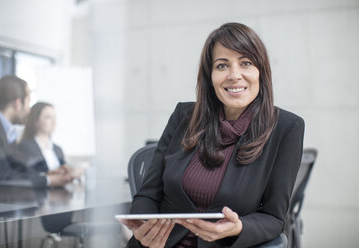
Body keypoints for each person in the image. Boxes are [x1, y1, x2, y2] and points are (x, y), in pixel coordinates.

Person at [121, 22, 305, 248]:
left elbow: (275, 218)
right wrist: (143, 227)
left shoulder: (286, 128)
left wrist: (239, 228)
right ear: (210, 76)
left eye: (246, 63)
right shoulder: (183, 116)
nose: (234, 75)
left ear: (261, 72)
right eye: (222, 66)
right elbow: (147, 195)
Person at [0, 75, 72, 188]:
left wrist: (45, 175)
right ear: (18, 104)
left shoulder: (6, 130)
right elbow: (1, 176)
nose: (29, 110)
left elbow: (17, 168)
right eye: (28, 103)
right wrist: (48, 180)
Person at [18, 102, 83, 180]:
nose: (54, 122)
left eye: (54, 117)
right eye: (48, 117)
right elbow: (27, 175)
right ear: (35, 120)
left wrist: (72, 171)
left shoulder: (57, 149)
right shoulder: (25, 147)